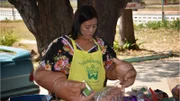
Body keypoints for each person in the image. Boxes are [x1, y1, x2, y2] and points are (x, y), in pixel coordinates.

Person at [34, 5, 136, 101]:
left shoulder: (101, 45)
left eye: (94, 26)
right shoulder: (61, 45)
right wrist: (59, 84)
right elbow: (39, 74)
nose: (91, 30)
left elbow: (108, 69)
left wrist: (118, 72)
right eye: (87, 27)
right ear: (78, 25)